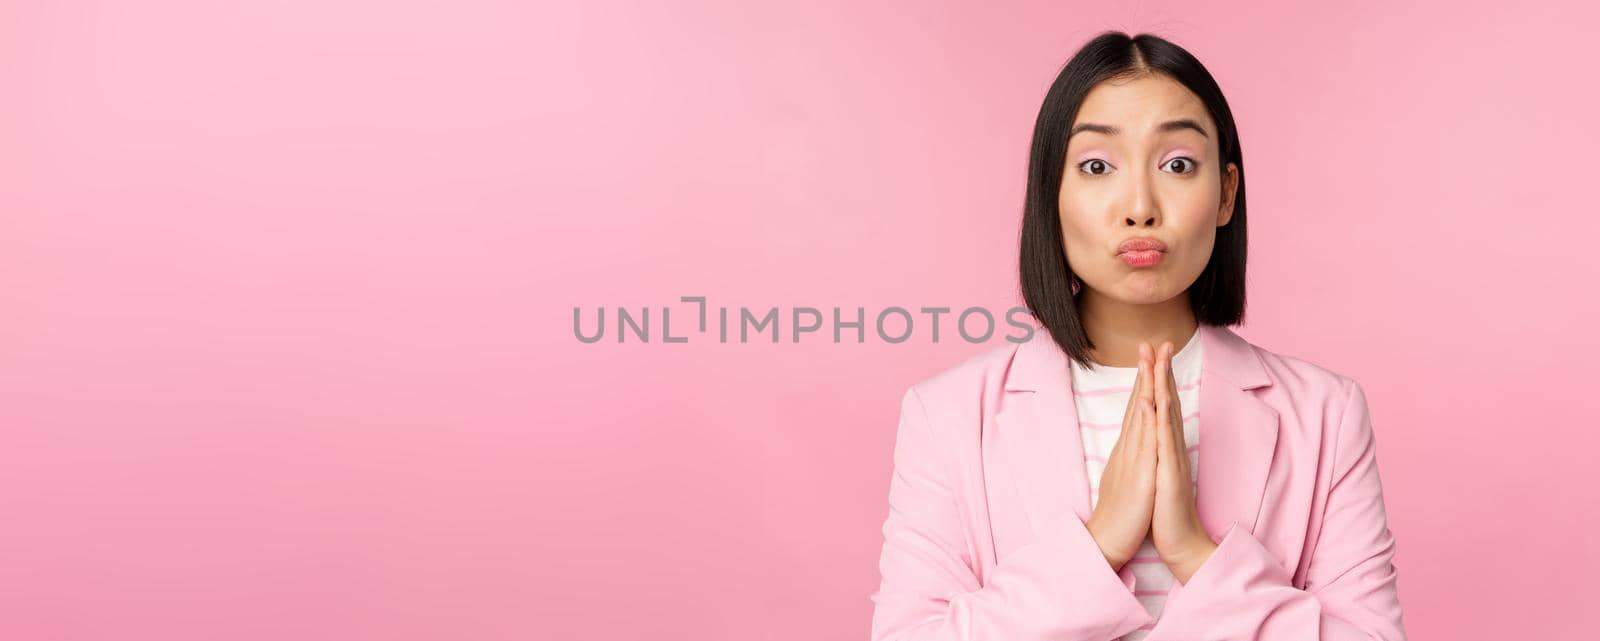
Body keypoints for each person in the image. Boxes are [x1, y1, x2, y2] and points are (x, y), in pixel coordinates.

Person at [868, 31, 1408, 641]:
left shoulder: (1326, 413)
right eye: (1097, 166)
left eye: (1178, 164)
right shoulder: (947, 416)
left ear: (1226, 193)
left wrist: (1194, 553)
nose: (1140, 207)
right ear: (1052, 194)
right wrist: (1100, 545)